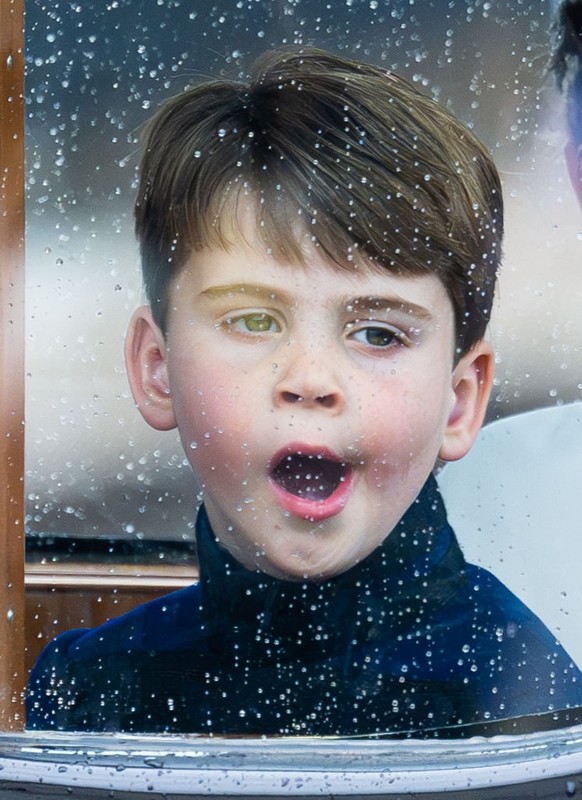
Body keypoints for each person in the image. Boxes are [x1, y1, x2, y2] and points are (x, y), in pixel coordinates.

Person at [26, 47, 582, 737]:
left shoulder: (528, 701)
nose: (311, 380)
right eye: (253, 321)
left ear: (460, 401)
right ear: (156, 367)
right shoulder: (89, 688)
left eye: (378, 334)